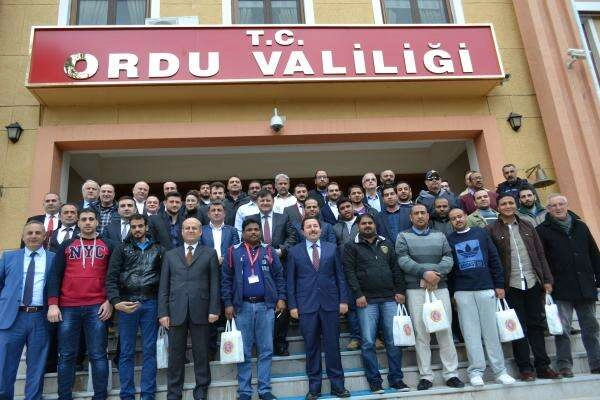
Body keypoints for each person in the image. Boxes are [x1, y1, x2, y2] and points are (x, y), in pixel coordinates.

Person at [487, 195, 560, 381]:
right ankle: (525, 368)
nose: (508, 206)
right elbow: (492, 260)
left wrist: (547, 279)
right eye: (504, 204)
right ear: (498, 207)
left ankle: (543, 366)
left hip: (532, 281)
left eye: (511, 203)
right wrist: (497, 284)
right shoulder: (491, 229)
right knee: (517, 327)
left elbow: (540, 254)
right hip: (510, 285)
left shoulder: (527, 226)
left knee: (536, 325)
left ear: (516, 205)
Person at [47, 208, 114, 399]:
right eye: (83, 219)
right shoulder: (67, 245)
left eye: (91, 219)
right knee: (67, 355)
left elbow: (114, 276)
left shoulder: (109, 245)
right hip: (68, 306)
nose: (87, 222)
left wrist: (109, 301)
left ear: (97, 222)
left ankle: (100, 396)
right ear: (78, 222)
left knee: (98, 355)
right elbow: (55, 275)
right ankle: (64, 396)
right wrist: (53, 304)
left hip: (97, 306)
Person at [446, 208, 516, 387]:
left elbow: (494, 258)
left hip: (486, 288)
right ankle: (476, 372)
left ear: (465, 217)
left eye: (460, 216)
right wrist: (453, 293)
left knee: (491, 332)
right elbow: (450, 270)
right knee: (470, 334)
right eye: (453, 218)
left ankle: (500, 371)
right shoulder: (449, 239)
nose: (457, 220)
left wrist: (499, 284)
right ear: (450, 222)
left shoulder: (481, 233)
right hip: (463, 291)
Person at [396, 204, 463, 391]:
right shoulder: (403, 236)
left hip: (439, 287)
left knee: (445, 330)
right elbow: (402, 259)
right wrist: (425, 273)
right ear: (411, 217)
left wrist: (435, 275)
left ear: (427, 216)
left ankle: (451, 374)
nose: (420, 216)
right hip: (415, 289)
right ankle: (426, 376)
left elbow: (448, 258)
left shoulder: (440, 235)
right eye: (416, 213)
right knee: (421, 333)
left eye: (423, 213)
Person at [343, 214, 409, 393]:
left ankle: (396, 380)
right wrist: (358, 294)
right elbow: (349, 272)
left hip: (389, 298)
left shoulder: (386, 243)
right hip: (366, 301)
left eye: (370, 223)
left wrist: (400, 291)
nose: (367, 226)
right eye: (363, 223)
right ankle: (374, 381)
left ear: (375, 225)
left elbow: (396, 268)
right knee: (368, 342)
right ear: (358, 226)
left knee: (393, 341)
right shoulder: (351, 246)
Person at [222, 217, 286, 400]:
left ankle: (264, 390)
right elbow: (226, 279)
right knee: (244, 351)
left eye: (256, 229)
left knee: (266, 349)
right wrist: (228, 303)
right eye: (249, 229)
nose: (253, 232)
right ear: (243, 232)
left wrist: (281, 298)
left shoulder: (269, 250)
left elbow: (279, 276)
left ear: (260, 231)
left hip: (266, 306)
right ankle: (244, 391)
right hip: (242, 307)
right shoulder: (233, 251)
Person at [536, 194, 600, 377]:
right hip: (560, 287)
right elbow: (542, 260)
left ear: (567, 205)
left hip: (585, 285)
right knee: (562, 330)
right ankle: (564, 366)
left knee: (591, 328)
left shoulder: (581, 226)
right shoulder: (542, 230)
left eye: (561, 204)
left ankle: (596, 362)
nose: (558, 208)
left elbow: (594, 253)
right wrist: (546, 282)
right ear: (548, 209)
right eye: (553, 205)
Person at [287, 217, 351, 399]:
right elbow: (291, 281)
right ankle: (314, 388)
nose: (313, 229)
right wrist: (293, 305)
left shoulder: (332, 248)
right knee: (311, 347)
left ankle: (338, 386)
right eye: (309, 226)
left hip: (330, 304)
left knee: (333, 346)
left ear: (321, 230)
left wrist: (343, 300)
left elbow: (340, 276)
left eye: (315, 226)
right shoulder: (294, 252)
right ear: (302, 231)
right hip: (306, 305)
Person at [158, 217, 220, 400]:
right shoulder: (170, 255)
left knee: (201, 352)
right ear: (182, 231)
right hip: (175, 310)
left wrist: (214, 309)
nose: (191, 230)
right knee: (175, 355)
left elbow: (215, 284)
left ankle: (201, 389)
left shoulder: (210, 253)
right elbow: (164, 286)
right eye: (187, 228)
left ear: (200, 232)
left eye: (194, 228)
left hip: (201, 310)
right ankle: (174, 392)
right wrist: (163, 312)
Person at [106, 213, 163, 400]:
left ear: (146, 227)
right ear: (130, 228)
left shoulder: (158, 249)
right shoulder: (121, 249)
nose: (137, 229)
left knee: (149, 351)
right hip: (127, 303)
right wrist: (116, 302)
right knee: (126, 352)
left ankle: (148, 394)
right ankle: (127, 394)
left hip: (150, 303)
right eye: (134, 227)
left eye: (140, 226)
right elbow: (111, 278)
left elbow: (164, 279)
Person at [0, 221, 55, 400]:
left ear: (44, 236)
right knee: (4, 367)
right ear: (23, 237)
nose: (33, 236)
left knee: (36, 367)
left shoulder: (53, 259)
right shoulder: (9, 257)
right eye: (29, 233)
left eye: (38, 233)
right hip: (12, 318)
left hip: (40, 318)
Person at [249, 189, 297, 356]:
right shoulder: (251, 219)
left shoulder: (283, 217)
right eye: (262, 201)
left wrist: (281, 250)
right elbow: (246, 239)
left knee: (281, 304)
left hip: (280, 266)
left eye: (268, 200)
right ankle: (261, 343)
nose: (265, 203)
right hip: (256, 267)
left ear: (273, 201)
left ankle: (280, 343)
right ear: (257, 202)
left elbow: (292, 237)